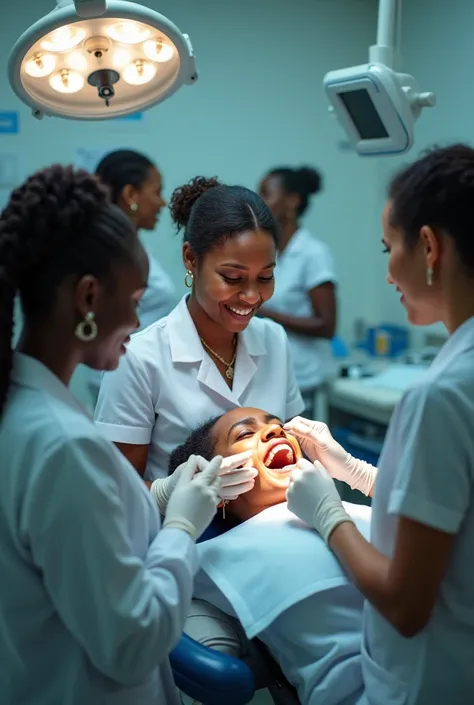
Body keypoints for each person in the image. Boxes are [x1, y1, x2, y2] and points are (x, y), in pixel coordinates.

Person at [0, 164, 230, 705]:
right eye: (132, 300)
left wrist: (158, 499)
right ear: (87, 297)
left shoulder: (26, 407)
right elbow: (132, 641)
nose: (136, 321)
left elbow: (83, 551)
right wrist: (179, 527)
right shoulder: (61, 445)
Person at [284, 144, 474, 704]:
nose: (388, 267)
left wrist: (328, 513)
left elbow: (405, 604)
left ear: (430, 247)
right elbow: (450, 513)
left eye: (389, 247)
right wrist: (355, 470)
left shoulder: (441, 396)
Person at [95, 176, 304, 490]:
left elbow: (293, 452)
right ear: (191, 259)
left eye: (265, 277)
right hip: (180, 535)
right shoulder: (138, 359)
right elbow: (115, 492)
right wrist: (175, 493)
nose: (251, 296)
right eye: (232, 277)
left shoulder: (274, 340)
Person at [168, 408, 372, 705]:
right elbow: (146, 583)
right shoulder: (220, 551)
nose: (276, 431)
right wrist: (178, 522)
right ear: (219, 488)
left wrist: (361, 474)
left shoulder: (357, 511)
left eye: (278, 426)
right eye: (245, 434)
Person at [259, 166, 337, 410]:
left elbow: (326, 325)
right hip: (272, 377)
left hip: (305, 379)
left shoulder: (313, 254)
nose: (258, 202)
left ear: (292, 201)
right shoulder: (268, 252)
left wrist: (264, 312)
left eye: (266, 194)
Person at [95, 149, 177, 330]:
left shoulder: (133, 246)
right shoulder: (107, 253)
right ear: (131, 194)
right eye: (157, 192)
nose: (162, 202)